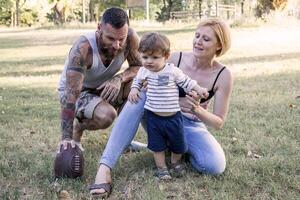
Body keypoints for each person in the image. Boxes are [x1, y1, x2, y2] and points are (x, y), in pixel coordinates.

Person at [90, 18, 233, 197]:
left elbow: (218, 122)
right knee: (140, 94)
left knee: (214, 166)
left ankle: (166, 148)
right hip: (158, 116)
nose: (198, 41)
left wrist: (197, 110)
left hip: (190, 124)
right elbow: (146, 84)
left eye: (206, 39)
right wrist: (174, 100)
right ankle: (105, 167)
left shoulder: (223, 75)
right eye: (197, 36)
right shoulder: (175, 59)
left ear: (219, 45)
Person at [56, 7, 141, 173]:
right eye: (110, 38)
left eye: (120, 39)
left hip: (105, 85)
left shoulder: (131, 38)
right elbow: (70, 95)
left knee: (139, 87)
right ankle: (78, 128)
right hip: (80, 91)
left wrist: (119, 78)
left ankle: (123, 140)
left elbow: (139, 67)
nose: (116, 45)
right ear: (99, 28)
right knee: (107, 116)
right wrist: (66, 139)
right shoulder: (82, 49)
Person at [128, 32, 209, 180]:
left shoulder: (172, 71)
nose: (149, 61)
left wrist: (200, 90)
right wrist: (134, 89)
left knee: (178, 143)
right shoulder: (144, 71)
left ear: (166, 56)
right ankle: (162, 168)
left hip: (173, 117)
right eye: (145, 57)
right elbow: (137, 81)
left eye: (154, 57)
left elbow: (187, 82)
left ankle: (174, 162)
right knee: (157, 146)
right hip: (154, 118)